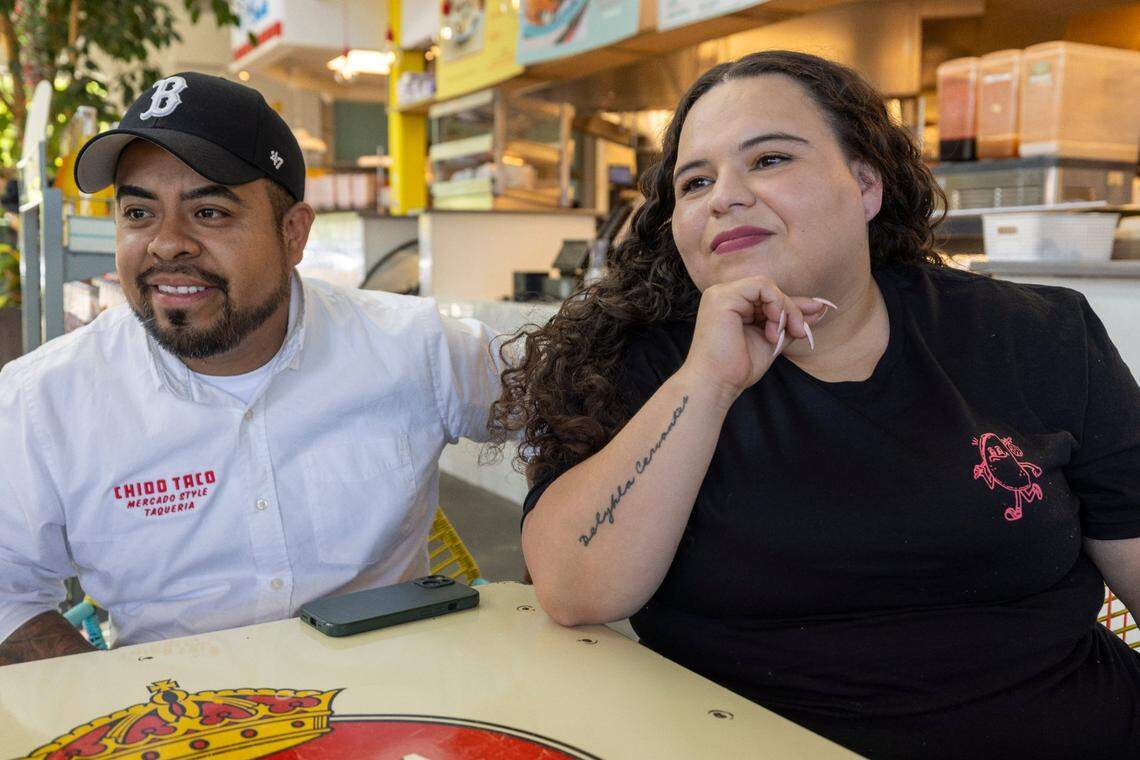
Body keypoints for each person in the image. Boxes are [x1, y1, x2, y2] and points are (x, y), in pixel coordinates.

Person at [490, 51, 1140, 757]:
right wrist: (706, 383)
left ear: (865, 185)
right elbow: (573, 589)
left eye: (768, 160)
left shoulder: (1037, 335)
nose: (725, 197)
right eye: (696, 181)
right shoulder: (644, 366)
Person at [0, 73, 503, 664]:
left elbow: (579, 401)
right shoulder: (43, 400)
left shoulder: (413, 347)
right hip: (179, 725)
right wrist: (112, 707)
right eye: (138, 212)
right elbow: (8, 593)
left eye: (209, 212)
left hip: (398, 712)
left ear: (293, 234)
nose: (165, 245)